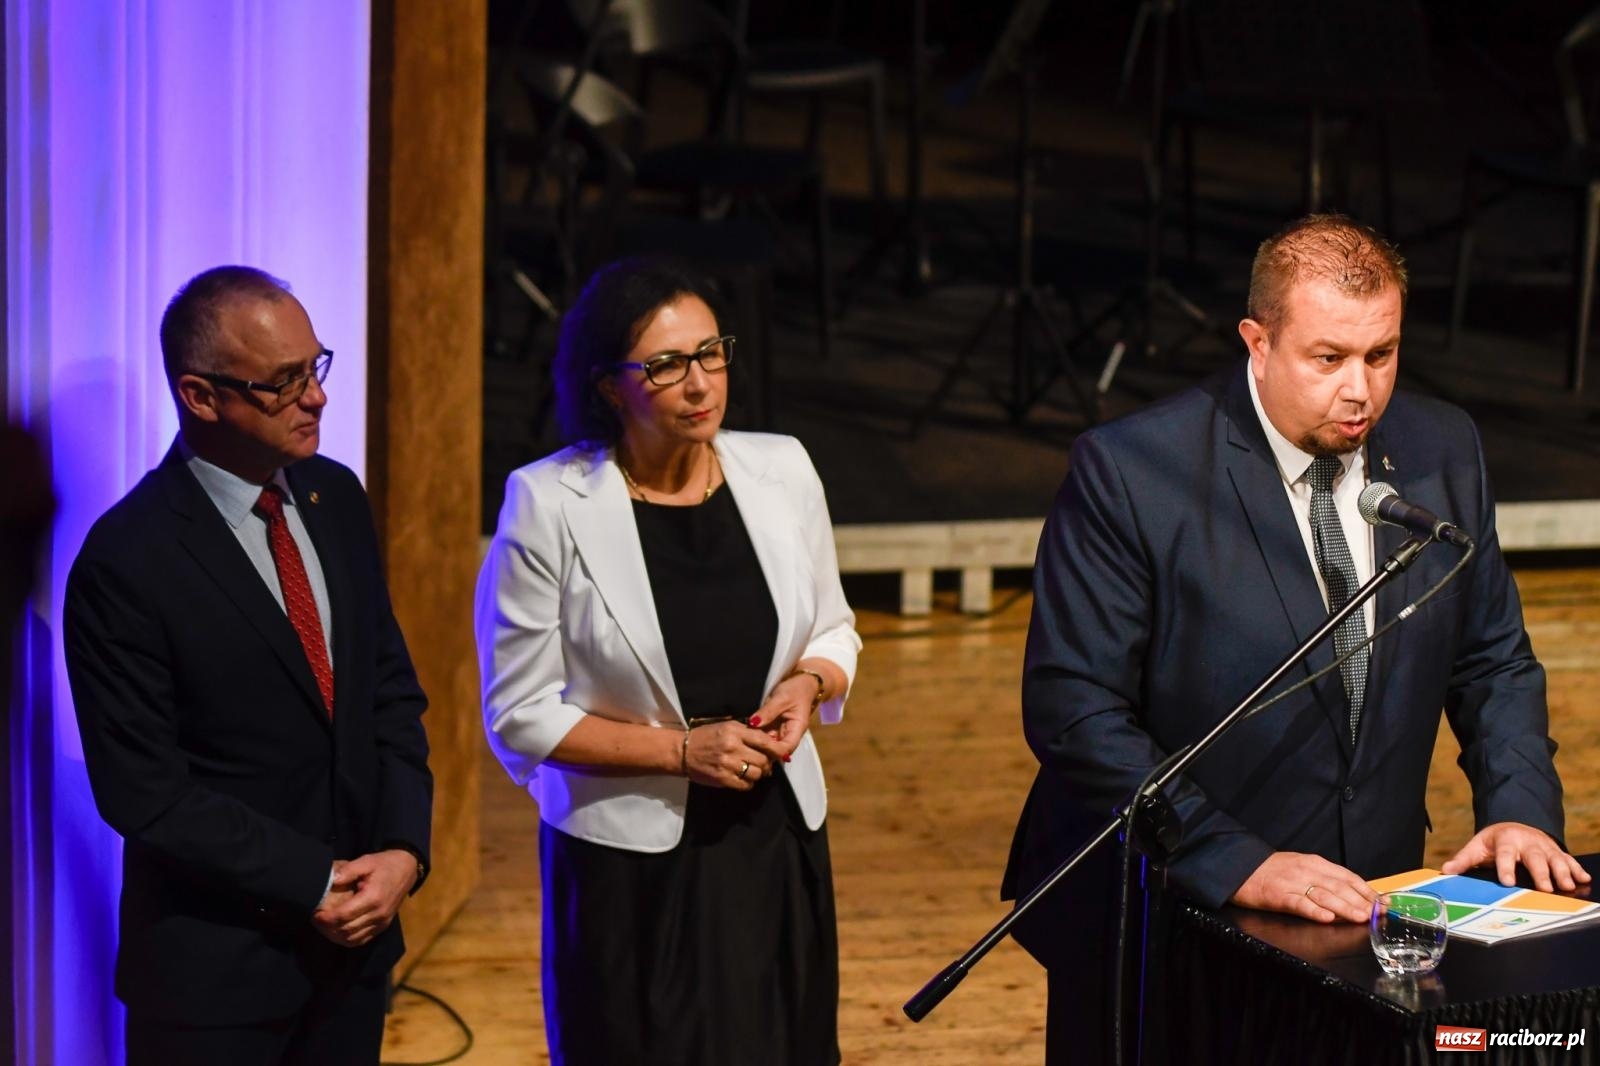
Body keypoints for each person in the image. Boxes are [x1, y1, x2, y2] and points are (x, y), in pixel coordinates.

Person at [1002, 214, 1588, 1064]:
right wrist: (1232, 859)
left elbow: (1492, 658)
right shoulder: (1132, 471)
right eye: (1329, 359)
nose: (1361, 390)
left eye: (1381, 355)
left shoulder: (1442, 448)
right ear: (1257, 341)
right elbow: (1074, 713)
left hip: (1361, 922)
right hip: (1172, 915)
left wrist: (1519, 810)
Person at [475, 255, 860, 1066]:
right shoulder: (547, 503)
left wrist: (810, 680)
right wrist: (684, 753)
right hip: (631, 859)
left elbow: (835, 627)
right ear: (611, 386)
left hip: (772, 834)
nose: (700, 383)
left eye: (710, 353)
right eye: (666, 365)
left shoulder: (782, 469)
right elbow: (519, 712)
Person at [63, 266, 433, 1066]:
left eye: (316, 366)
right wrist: (314, 882)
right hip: (214, 985)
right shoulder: (126, 559)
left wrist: (404, 850)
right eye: (284, 382)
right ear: (201, 396)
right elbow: (144, 791)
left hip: (353, 964)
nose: (318, 398)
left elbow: (390, 699)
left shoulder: (336, 497)